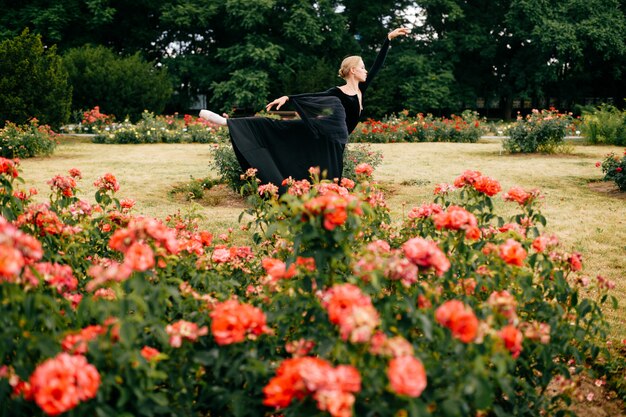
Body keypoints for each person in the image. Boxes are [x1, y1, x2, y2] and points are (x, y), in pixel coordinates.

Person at [200, 27, 410, 191]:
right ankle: (227, 122)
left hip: (333, 140)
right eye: (362, 67)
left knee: (326, 178)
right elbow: (313, 97)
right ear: (353, 71)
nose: (366, 70)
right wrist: (288, 97)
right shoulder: (336, 92)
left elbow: (378, 65)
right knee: (278, 128)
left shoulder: (361, 88)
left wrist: (388, 39)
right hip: (323, 136)